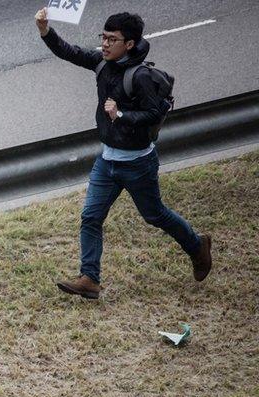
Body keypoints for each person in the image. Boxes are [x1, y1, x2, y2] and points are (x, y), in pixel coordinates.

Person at [35, 8, 212, 299]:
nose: (104, 44)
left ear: (129, 44)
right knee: (91, 217)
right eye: (103, 37)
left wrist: (121, 115)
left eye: (112, 39)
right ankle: (89, 279)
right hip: (107, 161)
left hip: (137, 163)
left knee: (155, 215)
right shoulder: (102, 64)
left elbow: (155, 112)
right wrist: (45, 30)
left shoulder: (139, 76)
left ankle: (197, 246)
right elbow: (69, 52)